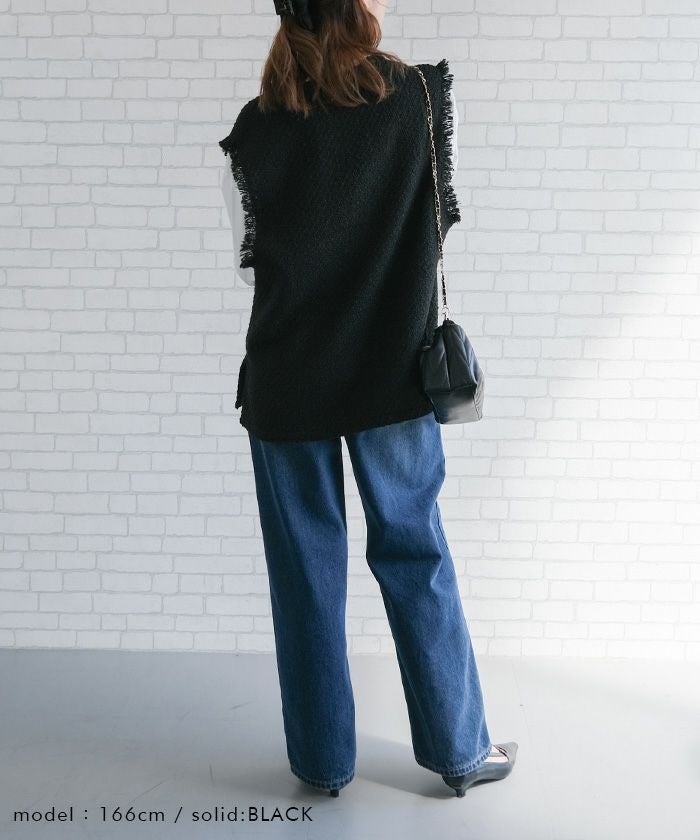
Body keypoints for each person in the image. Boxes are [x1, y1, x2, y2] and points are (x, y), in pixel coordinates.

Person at [219, 0, 518, 798]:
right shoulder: (419, 97)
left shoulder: (255, 127)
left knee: (304, 573)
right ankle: (460, 752)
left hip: (287, 381)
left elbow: (248, 266)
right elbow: (438, 226)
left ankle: (322, 764)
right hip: (392, 375)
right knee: (415, 553)